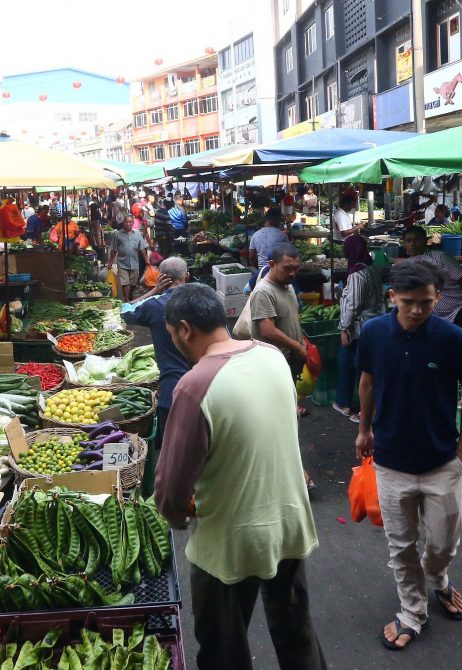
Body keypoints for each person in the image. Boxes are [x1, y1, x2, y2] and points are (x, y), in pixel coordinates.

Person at [155, 283, 325, 670]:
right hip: (289, 522)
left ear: (185, 329)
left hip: (230, 540)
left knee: (223, 648)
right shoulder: (271, 356)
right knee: (296, 633)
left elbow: (171, 488)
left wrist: (177, 515)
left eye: (171, 334)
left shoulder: (195, 385)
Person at [355, 258, 462, 652]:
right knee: (402, 545)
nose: (416, 310)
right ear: (392, 296)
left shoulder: (452, 337)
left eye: (425, 302)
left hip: (442, 459)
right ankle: (413, 611)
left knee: (444, 542)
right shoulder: (374, 332)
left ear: (437, 297)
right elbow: (367, 382)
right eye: (408, 301)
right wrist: (364, 429)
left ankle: (438, 577)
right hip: (391, 460)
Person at [121, 257, 192, 495]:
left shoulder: (155, 305)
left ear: (162, 278)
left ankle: (173, 495)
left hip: (171, 391)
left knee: (170, 449)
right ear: (187, 276)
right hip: (206, 388)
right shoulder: (201, 301)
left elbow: (124, 310)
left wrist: (154, 291)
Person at [248, 243, 310, 418]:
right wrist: (296, 346)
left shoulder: (287, 285)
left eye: (296, 269)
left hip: (288, 359)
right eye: (287, 268)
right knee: (273, 408)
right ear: (272, 264)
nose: (292, 273)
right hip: (273, 363)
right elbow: (267, 330)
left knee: (287, 401)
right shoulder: (264, 292)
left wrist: (301, 341)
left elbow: (291, 318)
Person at [333, 235, 383, 423]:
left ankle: (353, 406)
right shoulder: (372, 268)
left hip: (357, 327)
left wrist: (344, 328)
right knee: (361, 363)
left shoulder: (356, 274)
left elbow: (353, 305)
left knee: (351, 362)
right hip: (372, 321)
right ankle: (358, 405)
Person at [401, 227, 462, 332]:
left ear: (425, 241)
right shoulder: (409, 266)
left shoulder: (441, 258)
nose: (412, 244)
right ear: (404, 244)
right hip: (437, 319)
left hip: (459, 311)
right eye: (408, 241)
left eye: (417, 239)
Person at [108, 215, 149, 302]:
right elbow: (113, 250)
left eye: (130, 222)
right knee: (125, 283)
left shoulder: (137, 234)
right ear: (123, 222)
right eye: (126, 222)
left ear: (133, 223)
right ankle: (127, 300)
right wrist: (110, 262)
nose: (128, 224)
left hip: (135, 263)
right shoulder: (118, 235)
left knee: (133, 283)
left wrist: (147, 260)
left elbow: (142, 249)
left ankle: (130, 293)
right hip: (122, 263)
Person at [248, 207, 290, 273]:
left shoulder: (255, 235)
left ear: (266, 219)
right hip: (278, 271)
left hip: (262, 270)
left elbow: (251, 256)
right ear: (278, 220)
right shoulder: (283, 235)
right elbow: (287, 255)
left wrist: (256, 265)